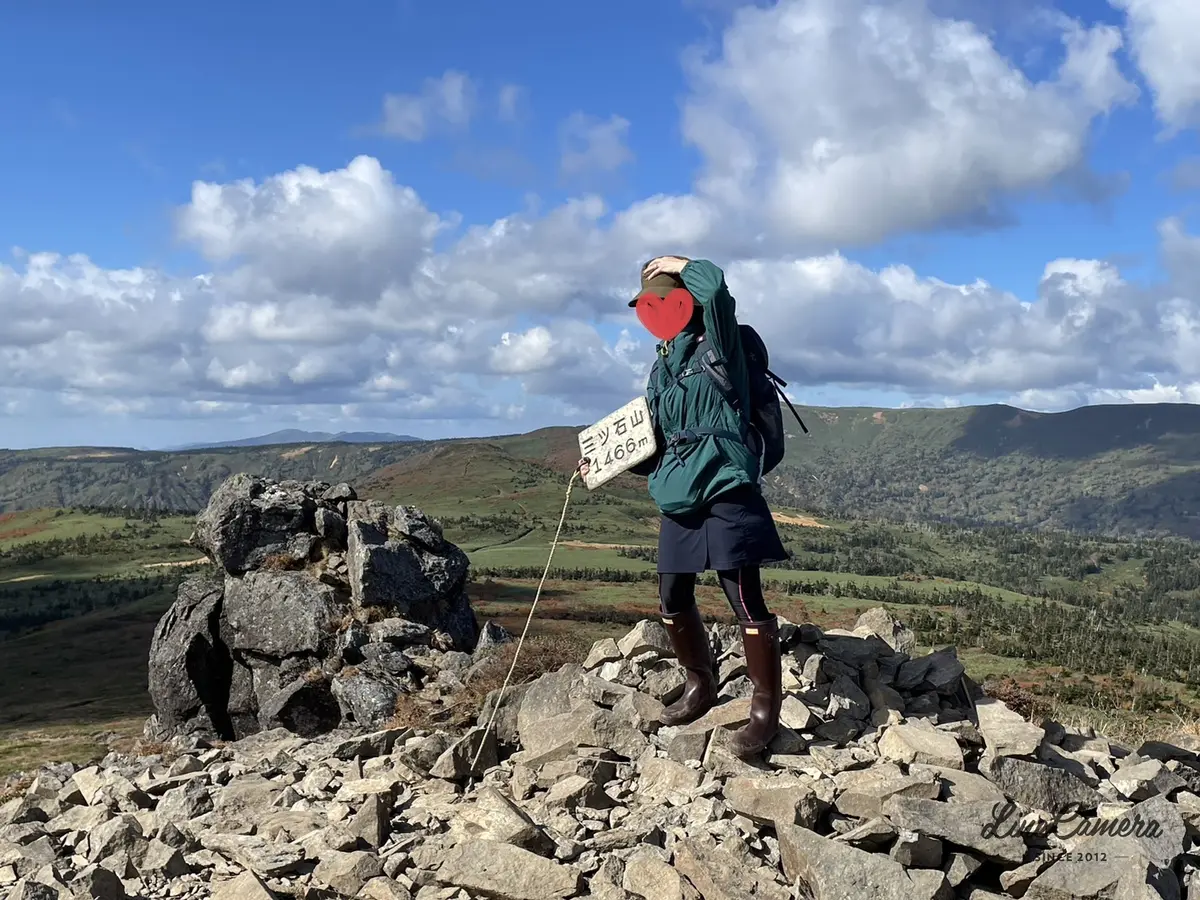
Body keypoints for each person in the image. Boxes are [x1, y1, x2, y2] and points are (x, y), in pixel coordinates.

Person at [577, 255, 786, 759]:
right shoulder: (659, 370)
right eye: (646, 304)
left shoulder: (721, 345)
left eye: (663, 300)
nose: (652, 312)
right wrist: (605, 464)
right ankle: (701, 685)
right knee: (671, 597)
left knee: (744, 597)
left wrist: (683, 263)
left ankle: (764, 712)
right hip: (678, 492)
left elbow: (716, 291)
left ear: (684, 303)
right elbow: (652, 446)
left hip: (725, 483)